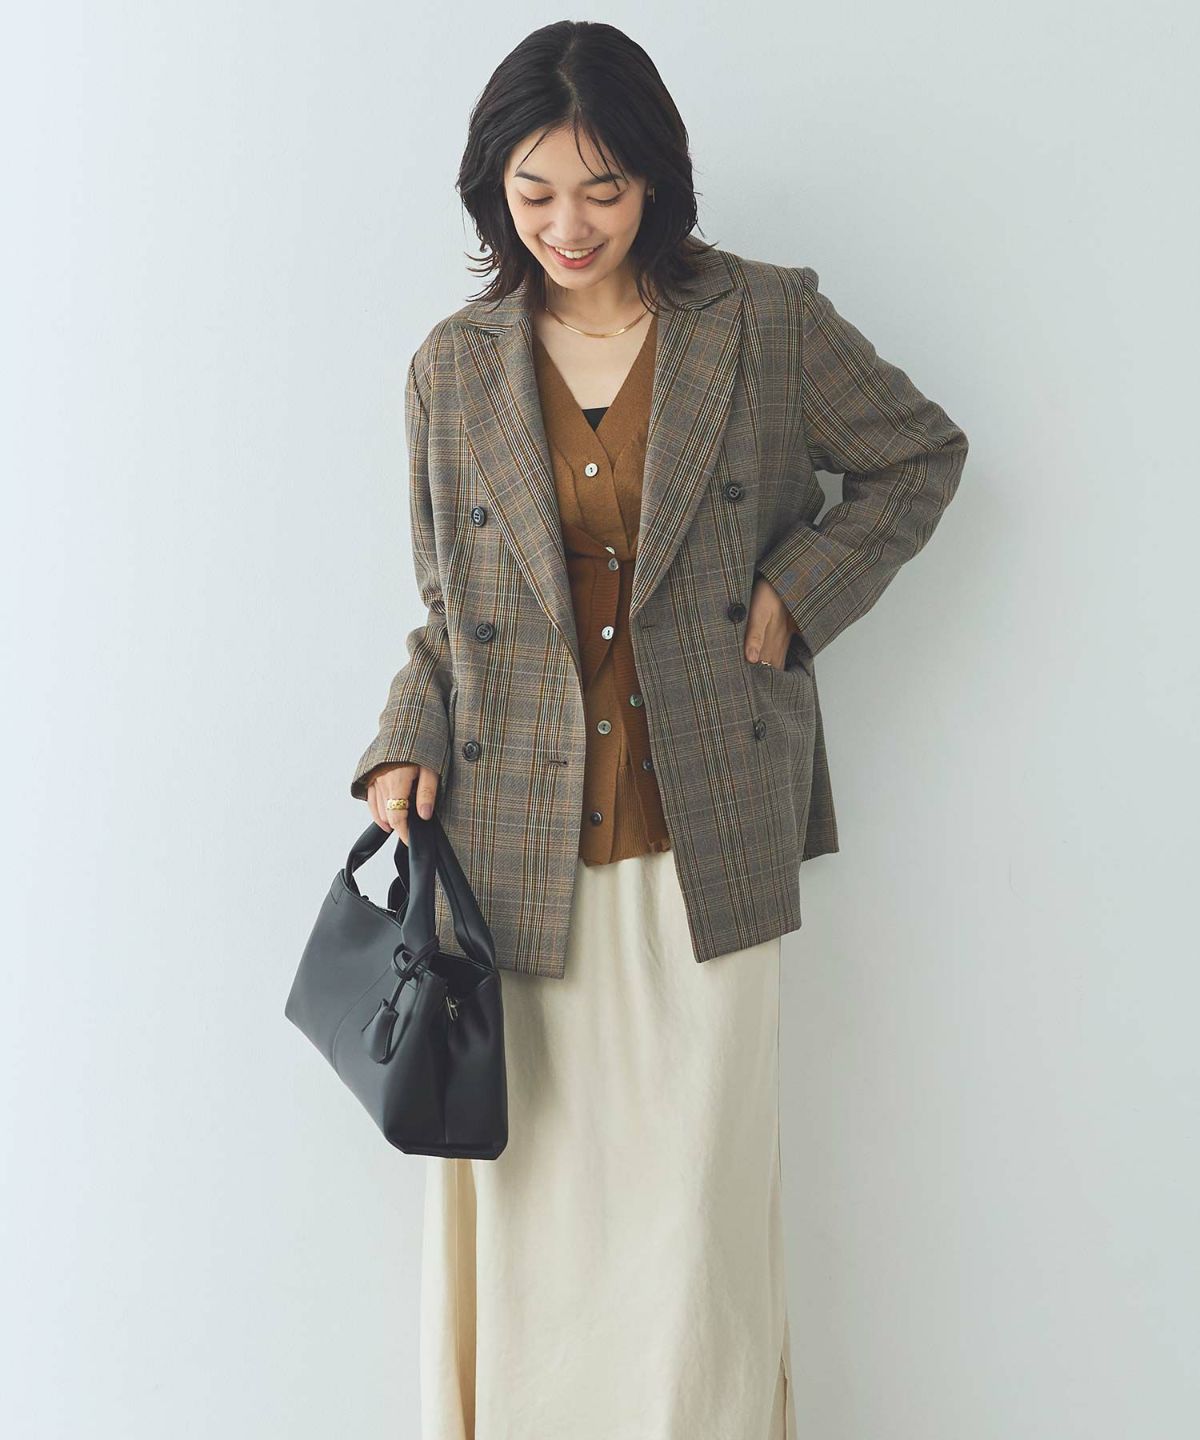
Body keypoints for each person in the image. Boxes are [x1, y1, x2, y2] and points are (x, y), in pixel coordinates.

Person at [351, 21, 969, 1438]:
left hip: (708, 832)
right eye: (534, 192)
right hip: (511, 849)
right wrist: (402, 738)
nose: (569, 224)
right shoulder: (454, 366)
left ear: (658, 180)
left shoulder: (764, 320)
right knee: (533, 1207)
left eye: (605, 188)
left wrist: (799, 592)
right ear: (493, 192)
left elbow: (918, 455)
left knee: (694, 1214)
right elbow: (448, 611)